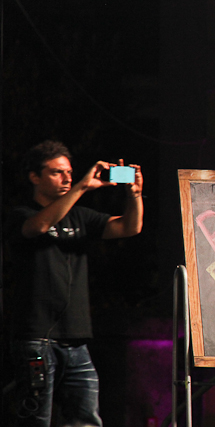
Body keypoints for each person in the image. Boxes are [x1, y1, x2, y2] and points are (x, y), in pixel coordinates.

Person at [5, 140, 144, 426]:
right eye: (57, 172)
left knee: (86, 420)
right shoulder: (22, 214)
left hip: (76, 340)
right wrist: (81, 187)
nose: (67, 178)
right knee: (36, 419)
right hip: (36, 338)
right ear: (35, 177)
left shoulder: (80, 216)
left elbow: (130, 227)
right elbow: (38, 227)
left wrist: (135, 195)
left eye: (69, 172)